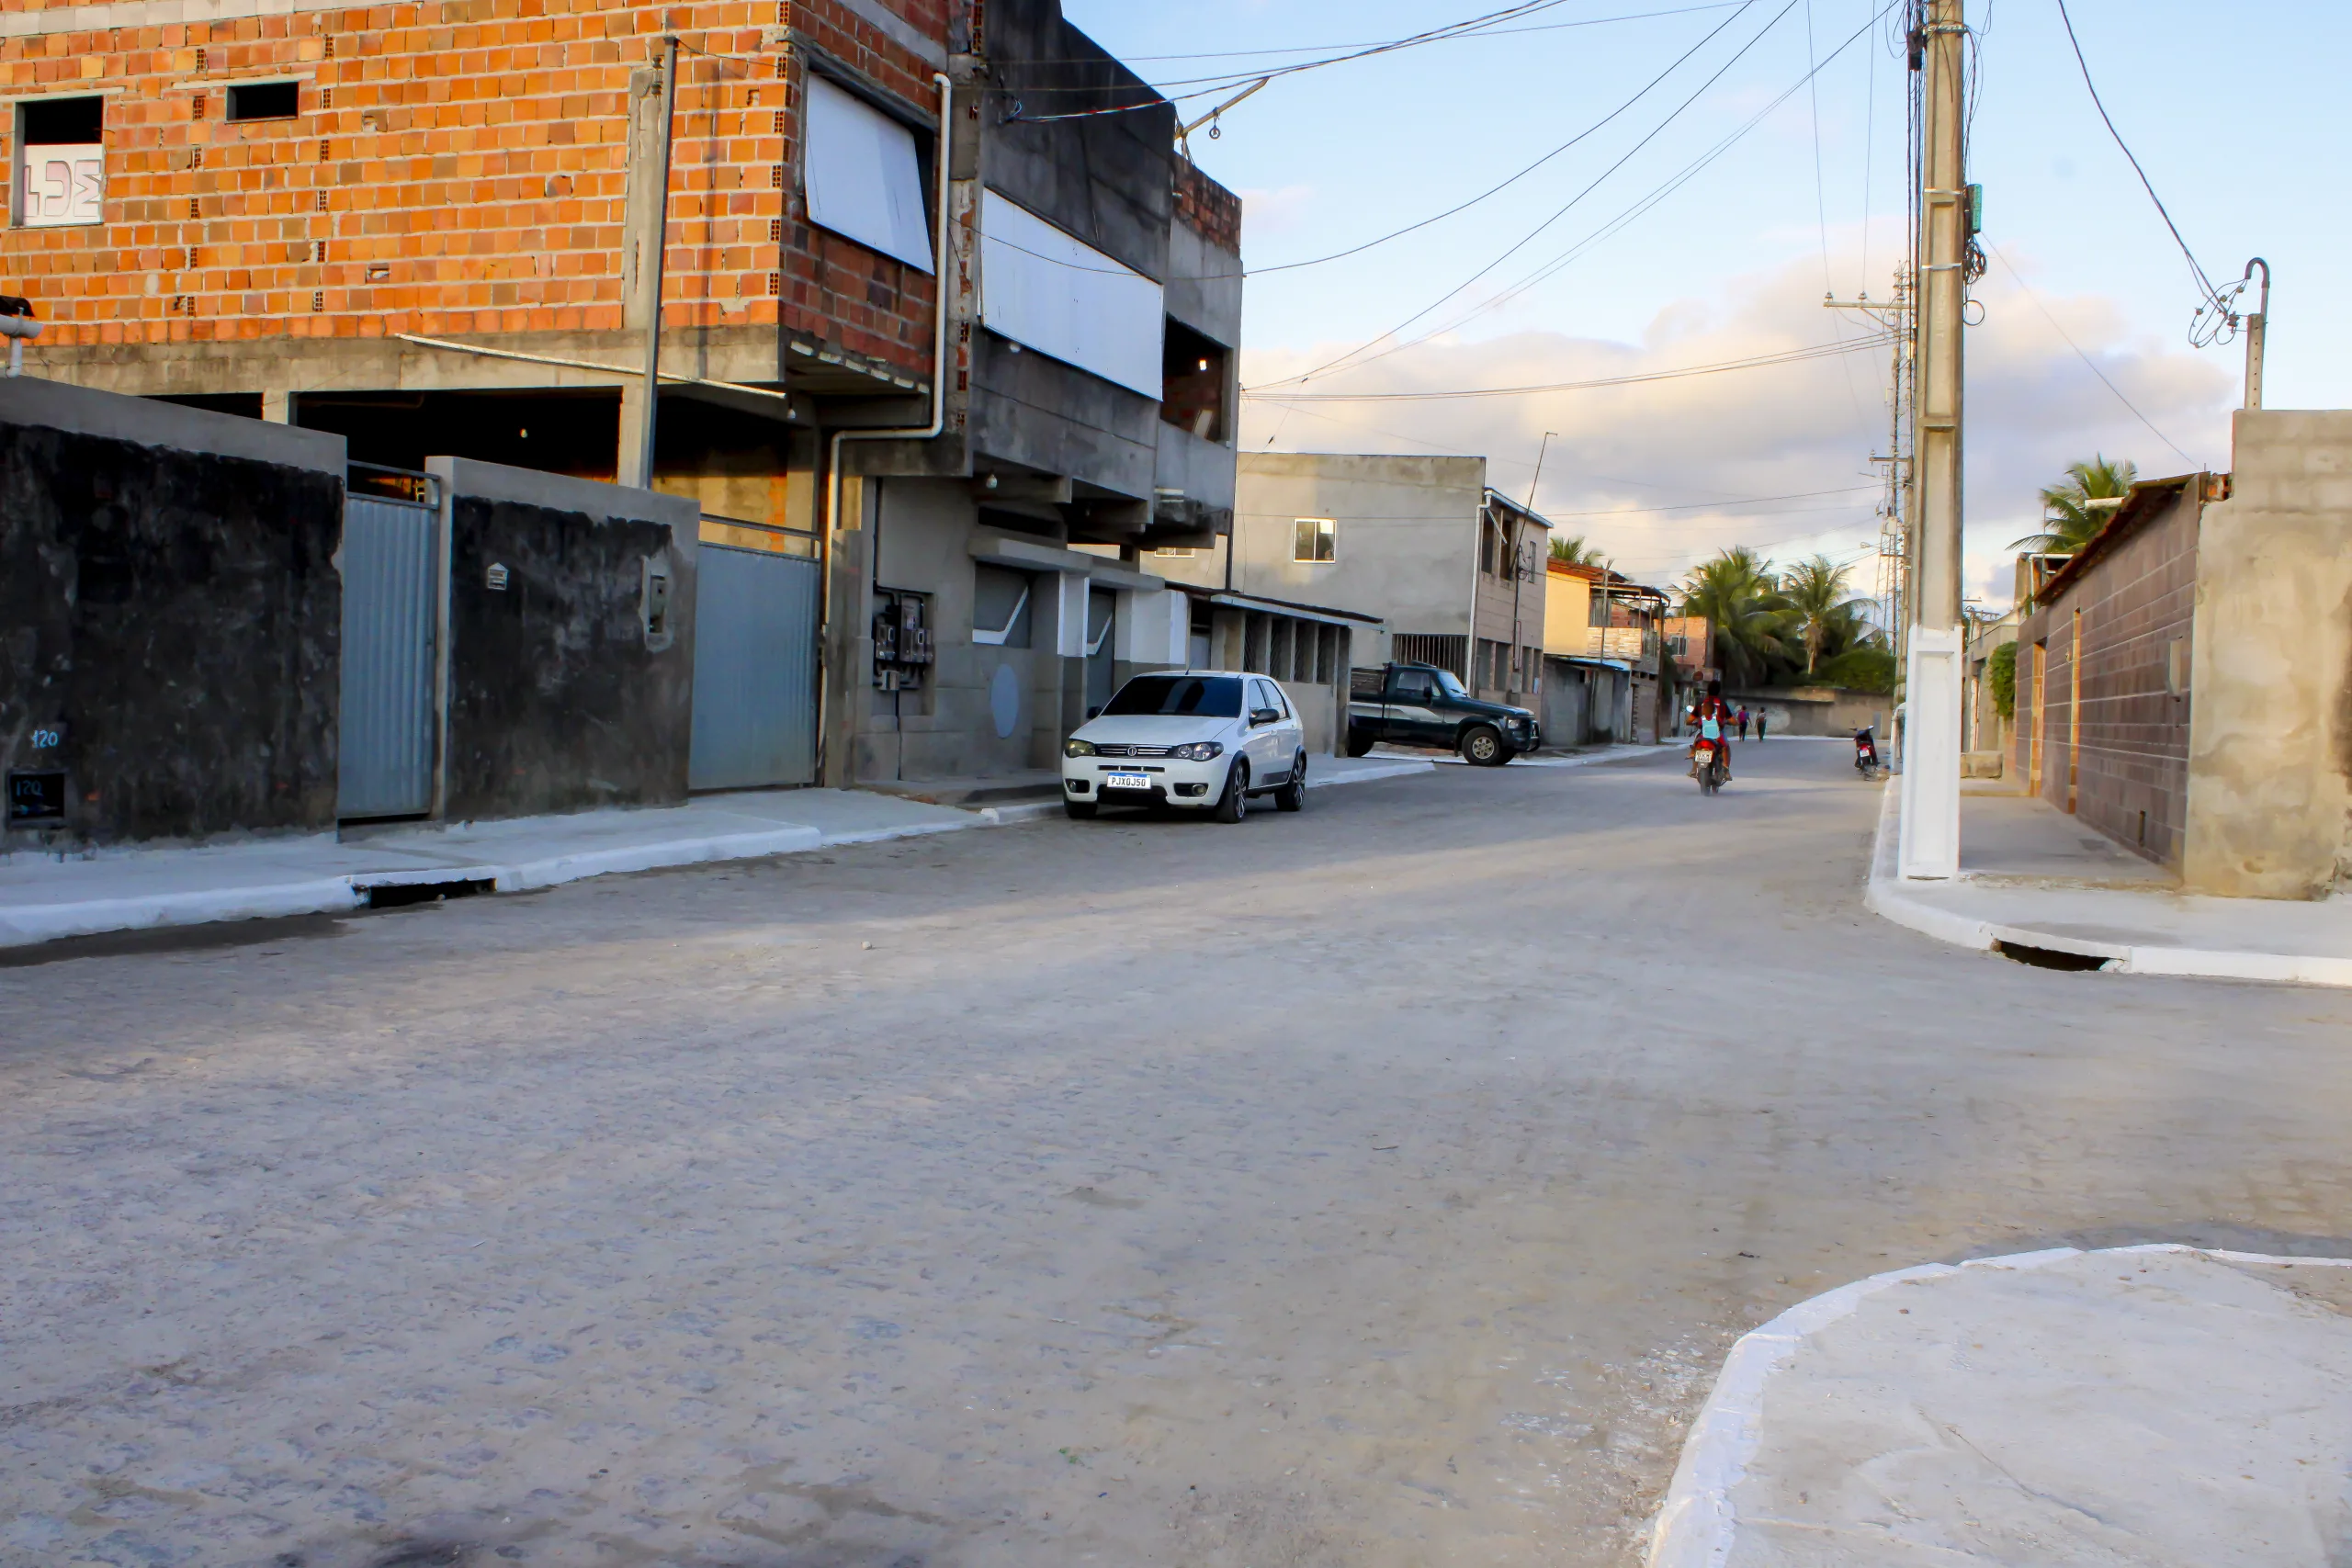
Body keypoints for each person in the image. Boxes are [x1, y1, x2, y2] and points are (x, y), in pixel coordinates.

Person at [1690, 682, 1735, 781]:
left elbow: (1689, 720)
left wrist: (1694, 722)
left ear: (1708, 690)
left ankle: (1694, 769)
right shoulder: (1722, 704)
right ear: (1719, 691)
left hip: (1703, 733)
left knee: (1697, 745)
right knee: (1725, 747)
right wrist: (1729, 721)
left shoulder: (1701, 703)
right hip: (1718, 734)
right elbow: (1732, 720)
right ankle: (1726, 770)